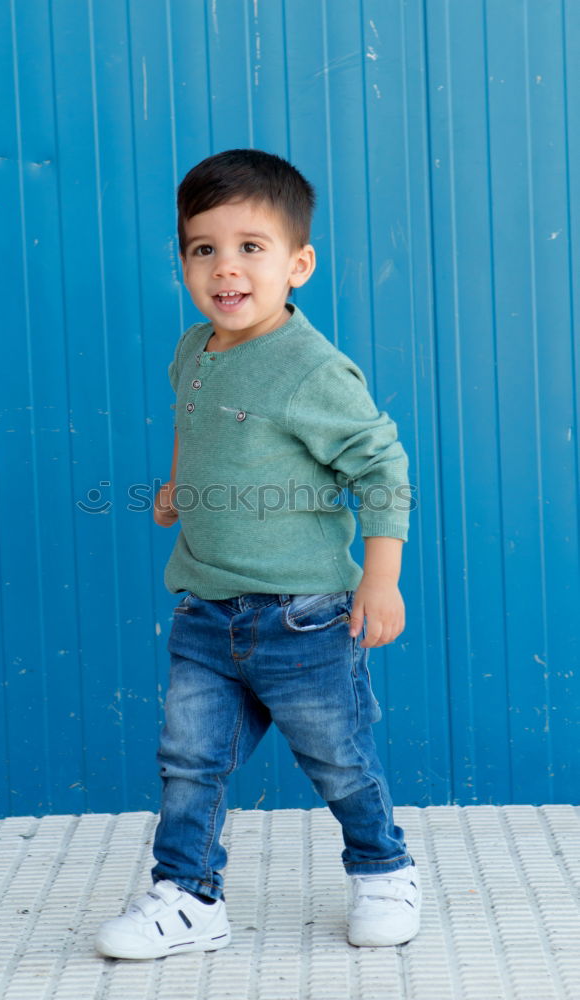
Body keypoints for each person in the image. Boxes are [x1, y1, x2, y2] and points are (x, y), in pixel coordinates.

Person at [95, 149, 421, 961]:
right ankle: (189, 895)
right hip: (207, 610)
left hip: (305, 617)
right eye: (203, 248)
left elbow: (381, 467)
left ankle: (384, 868)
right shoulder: (194, 348)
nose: (225, 267)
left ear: (298, 263)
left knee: (338, 759)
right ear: (182, 263)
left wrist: (380, 578)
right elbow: (192, 417)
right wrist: (177, 486)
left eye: (251, 246)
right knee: (188, 760)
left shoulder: (311, 368)